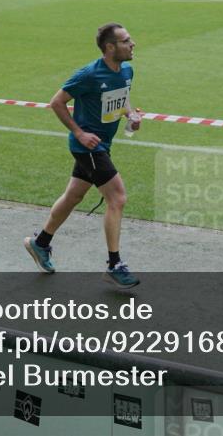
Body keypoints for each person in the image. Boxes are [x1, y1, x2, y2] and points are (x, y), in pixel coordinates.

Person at [25, 23, 142, 288]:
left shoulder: (126, 70)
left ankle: (40, 243)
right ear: (110, 47)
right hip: (88, 147)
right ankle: (114, 265)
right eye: (126, 41)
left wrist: (131, 115)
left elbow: (121, 98)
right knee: (117, 197)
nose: (132, 43)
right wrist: (79, 133)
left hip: (103, 145)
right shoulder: (89, 74)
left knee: (73, 196)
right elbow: (57, 102)